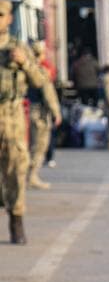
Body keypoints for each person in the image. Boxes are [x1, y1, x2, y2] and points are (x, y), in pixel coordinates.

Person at [1, 0, 50, 244]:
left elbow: (41, 81)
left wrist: (25, 63)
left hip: (12, 116)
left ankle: (16, 220)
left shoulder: (19, 48)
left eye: (0, 15)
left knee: (16, 171)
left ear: (9, 18)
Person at [26, 43, 62, 190]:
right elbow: (48, 94)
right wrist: (56, 112)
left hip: (31, 110)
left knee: (33, 146)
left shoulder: (26, 69)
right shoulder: (40, 71)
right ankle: (32, 177)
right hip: (40, 112)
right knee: (39, 146)